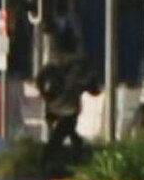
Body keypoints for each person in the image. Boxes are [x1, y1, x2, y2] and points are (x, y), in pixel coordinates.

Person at [35, 31, 101, 162]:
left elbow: (41, 83)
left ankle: (52, 159)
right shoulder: (73, 67)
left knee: (63, 133)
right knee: (64, 132)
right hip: (66, 107)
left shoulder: (56, 67)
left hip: (62, 108)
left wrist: (47, 97)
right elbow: (90, 86)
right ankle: (68, 155)